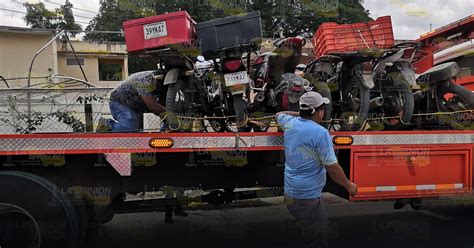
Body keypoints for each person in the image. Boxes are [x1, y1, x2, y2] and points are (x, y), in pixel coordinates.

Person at [275, 91, 358, 248]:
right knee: (318, 238)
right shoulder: (320, 133)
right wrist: (349, 186)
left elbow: (278, 114)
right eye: (322, 108)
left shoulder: (289, 123)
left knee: (308, 232)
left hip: (291, 194)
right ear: (319, 111)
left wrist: (298, 114)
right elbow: (332, 167)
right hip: (307, 198)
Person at [98, 70, 167, 132]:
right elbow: (152, 106)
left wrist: (167, 119)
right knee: (129, 129)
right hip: (121, 102)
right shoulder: (146, 80)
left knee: (134, 132)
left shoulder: (163, 87)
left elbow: (161, 107)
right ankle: (105, 125)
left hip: (134, 106)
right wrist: (170, 117)